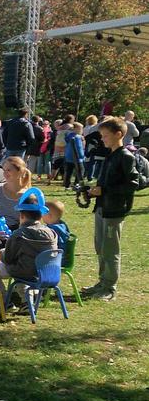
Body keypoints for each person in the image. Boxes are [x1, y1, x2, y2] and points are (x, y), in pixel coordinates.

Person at [81, 117, 139, 301]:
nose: (102, 139)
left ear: (119, 134)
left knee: (110, 250)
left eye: (105, 135)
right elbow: (106, 182)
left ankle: (110, 288)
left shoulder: (126, 157)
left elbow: (132, 184)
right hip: (102, 208)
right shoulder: (110, 155)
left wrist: (104, 190)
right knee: (100, 247)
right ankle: (102, 282)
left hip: (115, 210)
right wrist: (92, 191)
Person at [0, 194, 57, 306]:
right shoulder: (51, 232)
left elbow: (9, 258)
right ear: (40, 216)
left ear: (22, 216)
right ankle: (27, 302)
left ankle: (4, 301)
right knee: (24, 263)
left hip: (25, 271)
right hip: (47, 273)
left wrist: (1, 253)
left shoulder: (20, 234)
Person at [63, 122, 85, 190]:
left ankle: (67, 185)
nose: (82, 130)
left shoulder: (68, 136)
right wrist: (82, 155)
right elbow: (79, 148)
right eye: (81, 129)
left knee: (68, 172)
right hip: (77, 158)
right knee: (80, 171)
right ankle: (77, 184)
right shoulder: (77, 137)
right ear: (76, 129)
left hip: (68, 157)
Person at [25, 116, 45, 180]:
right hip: (35, 146)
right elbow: (42, 139)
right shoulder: (40, 128)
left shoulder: (27, 126)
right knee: (32, 162)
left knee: (24, 161)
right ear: (38, 121)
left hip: (26, 145)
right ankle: (29, 176)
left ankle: (23, 174)